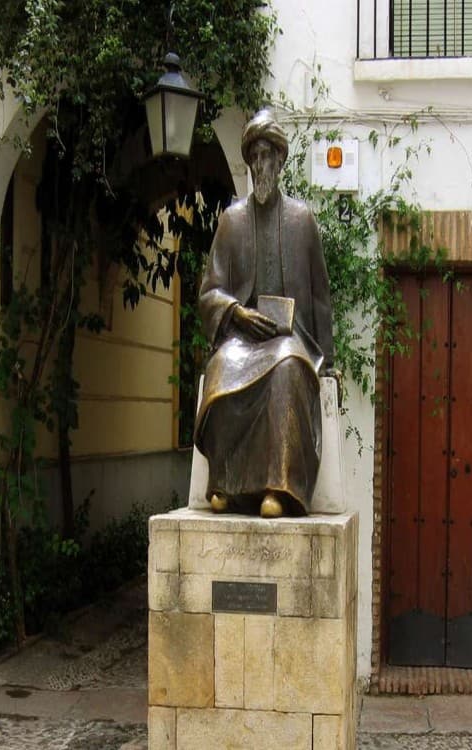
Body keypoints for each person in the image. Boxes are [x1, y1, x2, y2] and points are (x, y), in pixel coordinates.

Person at [194, 109, 335, 518]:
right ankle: (225, 483)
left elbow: (320, 296)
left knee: (288, 367)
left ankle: (279, 487)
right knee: (222, 367)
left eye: (267, 156)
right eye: (254, 157)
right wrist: (237, 313)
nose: (260, 166)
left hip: (289, 336)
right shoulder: (231, 221)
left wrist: (329, 360)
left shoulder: (301, 220)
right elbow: (210, 291)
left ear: (279, 160)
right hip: (242, 337)